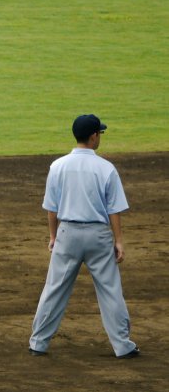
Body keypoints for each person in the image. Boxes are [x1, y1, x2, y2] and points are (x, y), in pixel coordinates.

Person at [29, 114, 139, 358]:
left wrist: (53, 236)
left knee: (54, 288)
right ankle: (122, 345)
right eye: (99, 133)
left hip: (67, 232)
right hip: (98, 236)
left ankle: (38, 343)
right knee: (110, 290)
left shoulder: (57, 166)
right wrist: (118, 240)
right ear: (93, 136)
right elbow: (114, 210)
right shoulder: (106, 168)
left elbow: (52, 207)